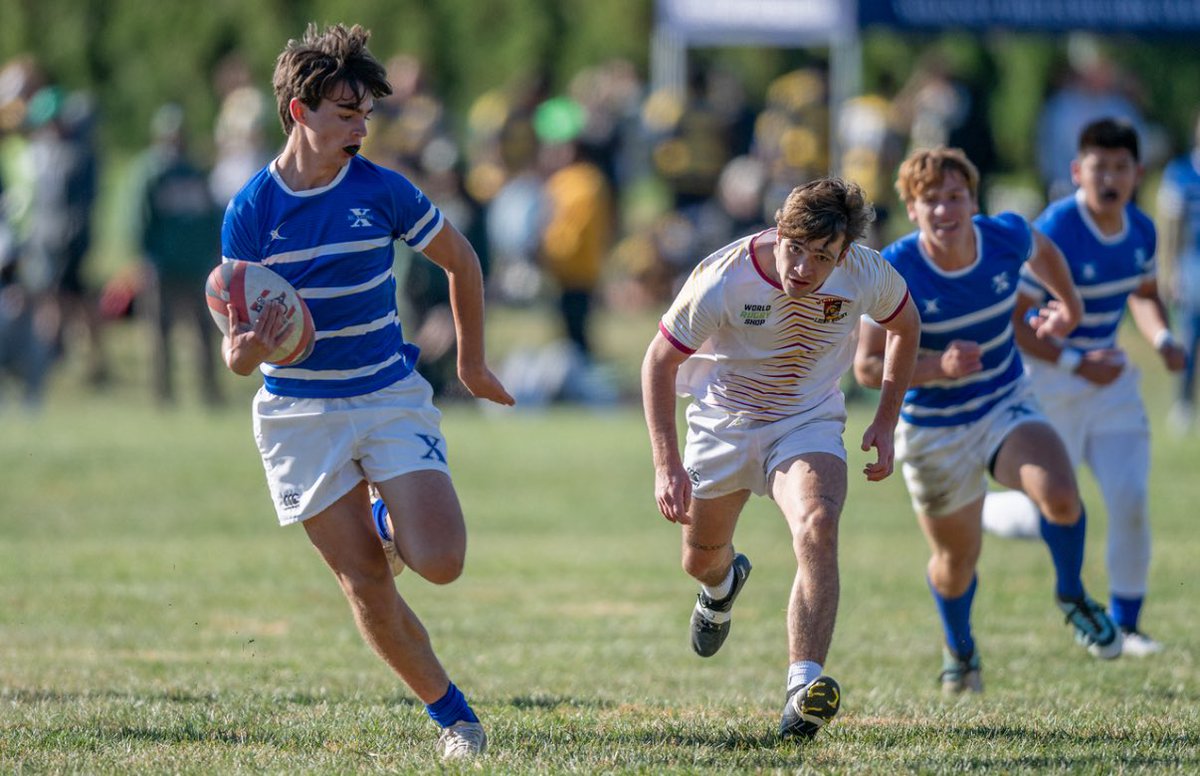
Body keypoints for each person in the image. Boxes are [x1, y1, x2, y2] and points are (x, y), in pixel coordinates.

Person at [218, 23, 514, 760]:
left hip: (385, 394)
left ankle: (386, 519)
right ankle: (454, 718)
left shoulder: (382, 190)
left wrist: (472, 364)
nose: (360, 127)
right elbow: (236, 346)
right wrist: (246, 349)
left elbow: (463, 262)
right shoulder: (251, 210)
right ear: (300, 112)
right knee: (365, 588)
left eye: (365, 115)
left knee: (441, 560)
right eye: (346, 114)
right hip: (299, 415)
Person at [641, 177, 921, 740]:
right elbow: (658, 363)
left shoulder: (865, 271)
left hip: (806, 423)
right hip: (723, 424)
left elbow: (905, 325)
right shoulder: (724, 278)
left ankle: (802, 688)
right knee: (700, 559)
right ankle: (721, 589)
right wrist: (666, 464)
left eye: (823, 257)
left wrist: (887, 418)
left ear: (844, 253)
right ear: (778, 231)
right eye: (796, 249)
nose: (804, 268)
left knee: (818, 525)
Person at [854, 147, 1123, 696]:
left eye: (955, 197)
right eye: (931, 200)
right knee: (956, 559)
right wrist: (935, 366)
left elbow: (1042, 248)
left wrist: (1067, 305)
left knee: (1061, 494)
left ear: (973, 201)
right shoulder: (894, 269)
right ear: (912, 208)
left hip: (1004, 401)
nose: (945, 210)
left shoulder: (1003, 236)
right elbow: (865, 367)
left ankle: (1072, 595)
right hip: (933, 427)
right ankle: (960, 649)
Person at [980, 119, 1185, 656]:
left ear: (1138, 173)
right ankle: (974, 507)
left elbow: (1143, 293)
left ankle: (1127, 626)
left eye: (1121, 168)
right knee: (1042, 510)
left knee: (1130, 498)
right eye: (1100, 167)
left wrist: (1162, 337)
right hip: (1050, 386)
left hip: (1112, 385)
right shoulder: (1056, 230)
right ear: (1077, 171)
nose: (1110, 178)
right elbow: (1015, 322)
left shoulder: (1141, 228)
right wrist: (1075, 361)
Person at [129, 103, 224, 406]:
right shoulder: (151, 173)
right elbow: (139, 221)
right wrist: (146, 258)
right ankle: (162, 394)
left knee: (205, 332)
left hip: (197, 265)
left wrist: (213, 254)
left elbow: (211, 218)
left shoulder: (196, 171)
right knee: (159, 334)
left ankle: (210, 392)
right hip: (163, 265)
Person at [1157, 111, 1200, 428]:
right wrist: (1169, 272)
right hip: (1192, 263)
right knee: (1189, 334)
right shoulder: (1181, 172)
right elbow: (1170, 229)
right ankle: (1183, 403)